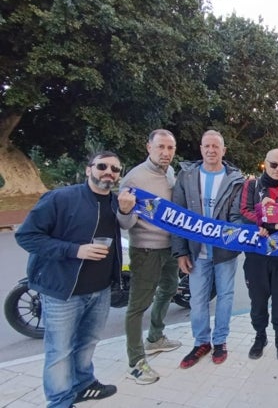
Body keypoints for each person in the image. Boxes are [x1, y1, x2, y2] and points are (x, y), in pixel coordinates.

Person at [15, 151, 124, 407]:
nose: (109, 172)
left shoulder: (116, 204)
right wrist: (74, 250)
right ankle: (60, 401)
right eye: (102, 166)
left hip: (100, 290)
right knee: (60, 352)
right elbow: (27, 236)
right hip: (62, 291)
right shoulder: (60, 198)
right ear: (88, 169)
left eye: (115, 169)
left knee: (87, 343)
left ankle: (84, 384)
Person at [172, 130, 245, 368]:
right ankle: (201, 342)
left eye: (216, 146)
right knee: (198, 299)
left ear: (224, 150)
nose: (211, 150)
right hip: (196, 252)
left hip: (224, 252)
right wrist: (180, 251)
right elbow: (177, 216)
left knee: (225, 297)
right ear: (201, 149)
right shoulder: (187, 176)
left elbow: (238, 215)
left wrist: (235, 236)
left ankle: (220, 341)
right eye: (207, 146)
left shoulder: (236, 179)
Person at [117, 129, 181, 385]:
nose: (166, 153)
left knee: (170, 289)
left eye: (170, 148)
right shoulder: (134, 178)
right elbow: (125, 221)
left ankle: (155, 337)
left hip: (170, 247)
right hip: (145, 250)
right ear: (149, 148)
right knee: (137, 305)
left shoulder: (170, 173)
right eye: (161, 147)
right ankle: (136, 361)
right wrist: (124, 210)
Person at [240, 149, 278, 362]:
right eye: (274, 164)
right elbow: (244, 212)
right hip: (256, 253)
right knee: (257, 299)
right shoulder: (251, 185)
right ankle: (260, 336)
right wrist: (265, 224)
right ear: (264, 164)